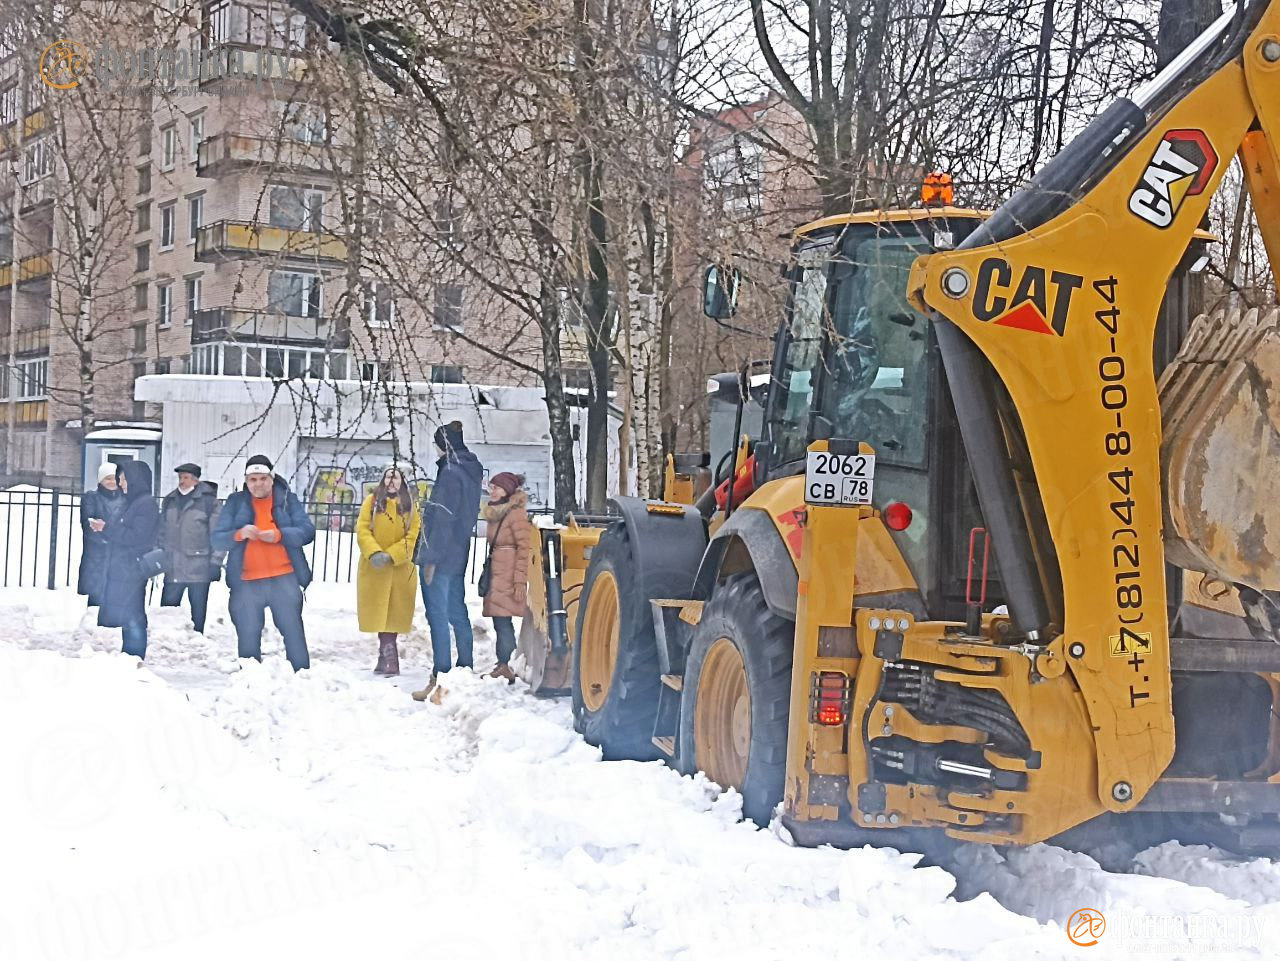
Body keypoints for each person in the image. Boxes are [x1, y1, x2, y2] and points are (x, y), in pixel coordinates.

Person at [211, 454, 316, 672]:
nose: (258, 484)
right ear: (246, 481)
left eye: (263, 479)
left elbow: (307, 531)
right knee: (247, 635)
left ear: (272, 478)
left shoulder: (287, 499)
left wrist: (279, 535)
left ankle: (303, 679)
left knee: (293, 632)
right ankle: (250, 681)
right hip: (247, 581)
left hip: (284, 578)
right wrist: (240, 533)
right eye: (253, 480)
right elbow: (217, 538)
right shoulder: (235, 502)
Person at [412, 420, 483, 701]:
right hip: (458, 553)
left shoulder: (451, 474)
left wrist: (430, 559)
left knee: (438, 616)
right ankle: (464, 669)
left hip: (440, 556)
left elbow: (442, 518)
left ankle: (440, 676)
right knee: (456, 611)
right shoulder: (470, 470)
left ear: (444, 445)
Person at [356, 465, 421, 677]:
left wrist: (392, 554)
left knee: (393, 614)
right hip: (374, 568)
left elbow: (412, 536)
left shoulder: (411, 506)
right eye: (388, 476)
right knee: (379, 614)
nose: (391, 481)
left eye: (396, 477)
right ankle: (385, 657)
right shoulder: (372, 502)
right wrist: (374, 552)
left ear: (403, 481)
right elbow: (363, 528)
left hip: (399, 569)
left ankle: (388, 657)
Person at [98, 461, 160, 659]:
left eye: (124, 478)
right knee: (127, 612)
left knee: (133, 615)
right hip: (124, 567)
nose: (120, 482)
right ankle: (129, 653)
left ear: (135, 479)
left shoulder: (145, 503)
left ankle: (134, 655)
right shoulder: (131, 502)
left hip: (133, 567)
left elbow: (137, 537)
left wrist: (107, 529)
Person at [159, 462, 223, 634]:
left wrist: (216, 561)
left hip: (199, 566)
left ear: (196, 480)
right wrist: (160, 552)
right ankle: (168, 639)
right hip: (173, 565)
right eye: (180, 477)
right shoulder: (170, 500)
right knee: (168, 610)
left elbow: (218, 534)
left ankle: (197, 638)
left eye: (186, 477)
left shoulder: (209, 502)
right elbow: (162, 529)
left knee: (198, 609)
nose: (182, 481)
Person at [481, 472, 532, 683]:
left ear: (507, 490)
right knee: (499, 619)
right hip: (498, 570)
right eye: (491, 487)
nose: (492, 491)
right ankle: (503, 662)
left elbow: (524, 549)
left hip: (508, 573)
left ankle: (506, 664)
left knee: (503, 620)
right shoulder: (497, 513)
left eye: (496, 487)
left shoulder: (515, 514)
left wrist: (519, 581)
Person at [78, 462, 125, 607]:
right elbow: (89, 526)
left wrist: (109, 531)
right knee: (97, 597)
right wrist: (111, 537)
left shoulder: (126, 499)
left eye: (114, 478)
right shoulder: (91, 498)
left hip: (120, 556)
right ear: (100, 480)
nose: (112, 482)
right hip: (97, 556)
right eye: (108, 478)